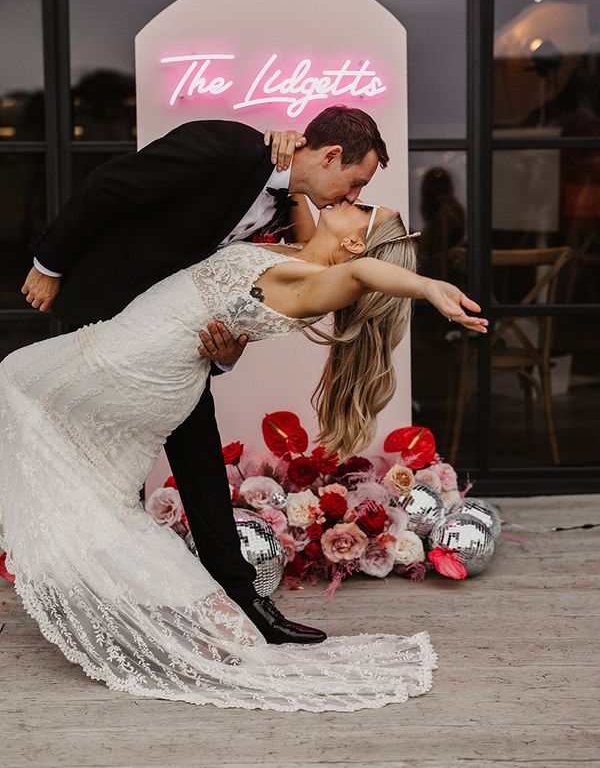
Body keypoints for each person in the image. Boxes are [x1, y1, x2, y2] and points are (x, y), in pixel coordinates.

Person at [0, 197, 486, 710]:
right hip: (145, 365)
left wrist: (428, 286)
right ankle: (205, 614)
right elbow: (302, 186)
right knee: (96, 490)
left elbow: (364, 271)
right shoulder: (303, 253)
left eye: (362, 206)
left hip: (133, 367)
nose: (348, 197)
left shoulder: (310, 283)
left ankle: (207, 617)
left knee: (16, 386)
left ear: (354, 242)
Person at [19, 105, 387, 645]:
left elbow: (237, 292)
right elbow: (108, 187)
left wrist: (227, 352)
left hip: (174, 345)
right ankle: (104, 600)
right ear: (331, 155)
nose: (350, 197)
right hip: (106, 311)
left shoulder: (288, 215)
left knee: (200, 467)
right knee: (94, 458)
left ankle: (239, 603)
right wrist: (48, 265)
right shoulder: (225, 146)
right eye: (354, 182)